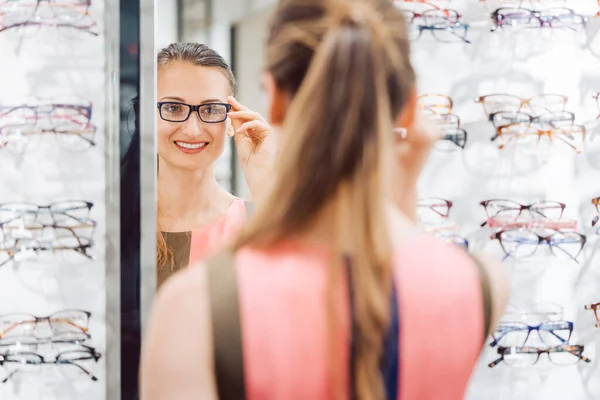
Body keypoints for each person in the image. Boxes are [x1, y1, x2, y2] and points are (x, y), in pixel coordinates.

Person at [140, 1, 509, 399]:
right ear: (409, 107)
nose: (192, 126)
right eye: (173, 108)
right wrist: (404, 193)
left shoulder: (196, 304)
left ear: (273, 98)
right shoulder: (483, 285)